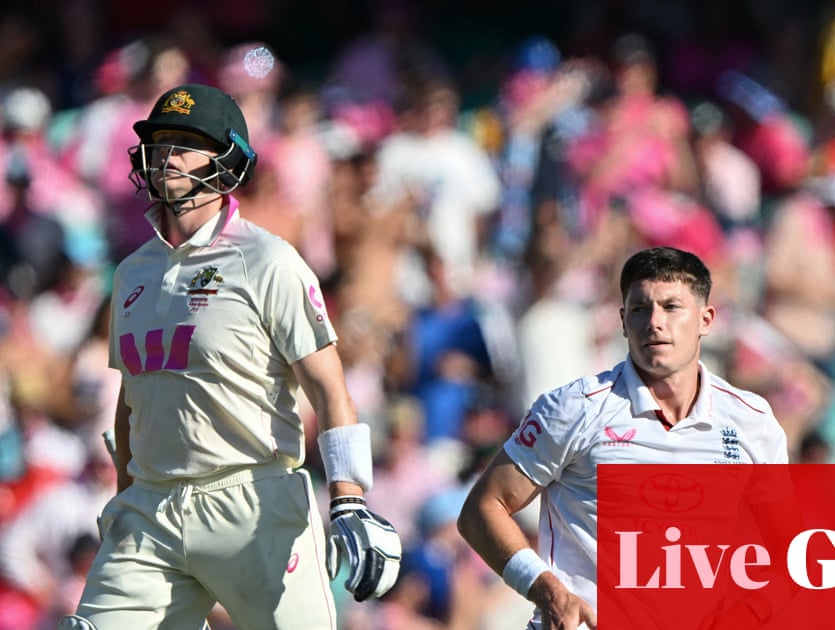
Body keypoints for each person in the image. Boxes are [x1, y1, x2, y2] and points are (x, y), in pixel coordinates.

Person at [59, 83, 402, 629]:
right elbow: (131, 400)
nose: (167, 154)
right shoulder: (130, 273)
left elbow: (328, 387)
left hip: (252, 501)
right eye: (160, 141)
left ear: (227, 160)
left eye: (186, 143)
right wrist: (124, 497)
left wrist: (348, 498)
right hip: (151, 510)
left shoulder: (267, 260)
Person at [457, 246, 789, 629]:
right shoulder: (574, 408)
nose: (655, 322)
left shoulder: (751, 420)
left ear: (706, 320)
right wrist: (547, 589)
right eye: (640, 309)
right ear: (622, 321)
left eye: (671, 307)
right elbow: (481, 509)